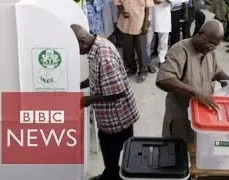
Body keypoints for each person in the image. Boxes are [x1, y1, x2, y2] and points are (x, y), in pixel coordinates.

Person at [155, 20, 229, 143]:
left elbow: (216, 72)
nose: (211, 48)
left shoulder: (208, 51)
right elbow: (164, 79)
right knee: (179, 153)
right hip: (181, 116)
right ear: (200, 33)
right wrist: (195, 93)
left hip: (202, 117)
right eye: (209, 43)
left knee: (199, 152)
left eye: (215, 45)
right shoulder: (180, 50)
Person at [70, 24, 139, 180]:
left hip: (118, 118)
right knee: (108, 153)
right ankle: (108, 175)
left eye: (75, 48)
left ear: (82, 42)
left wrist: (87, 100)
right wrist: (77, 85)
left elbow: (117, 92)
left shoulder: (104, 56)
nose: (77, 53)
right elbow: (97, 78)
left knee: (118, 157)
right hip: (107, 118)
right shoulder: (95, 47)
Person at [115, 0, 154, 83]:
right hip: (125, 23)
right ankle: (132, 68)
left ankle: (143, 71)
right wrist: (122, 11)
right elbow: (117, 2)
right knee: (127, 48)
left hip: (139, 22)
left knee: (141, 50)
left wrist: (146, 24)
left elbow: (148, 8)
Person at [147, 0, 172, 68]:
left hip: (164, 15)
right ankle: (146, 61)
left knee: (163, 40)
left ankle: (162, 59)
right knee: (147, 39)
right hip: (149, 13)